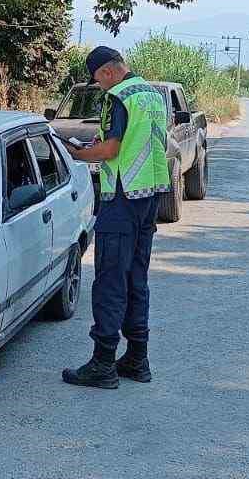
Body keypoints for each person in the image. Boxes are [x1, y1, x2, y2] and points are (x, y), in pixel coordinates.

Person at [61, 46, 170, 389]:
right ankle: (138, 358)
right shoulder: (152, 94)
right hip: (150, 195)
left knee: (110, 279)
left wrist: (78, 153)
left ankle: (103, 364)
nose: (99, 87)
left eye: (97, 80)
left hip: (122, 199)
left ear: (107, 72)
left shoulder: (117, 97)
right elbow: (144, 141)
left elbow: (110, 151)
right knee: (136, 277)